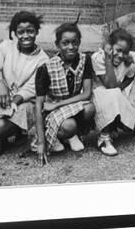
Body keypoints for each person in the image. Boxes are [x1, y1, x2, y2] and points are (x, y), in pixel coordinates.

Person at [0, 11, 49, 161]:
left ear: (36, 32)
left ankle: (16, 133)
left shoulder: (43, 59)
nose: (26, 36)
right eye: (20, 32)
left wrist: (13, 102)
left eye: (30, 31)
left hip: (23, 101)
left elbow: (31, 88)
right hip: (2, 95)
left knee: (0, 127)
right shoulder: (5, 47)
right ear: (14, 33)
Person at [34, 22, 95, 165]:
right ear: (57, 45)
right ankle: (64, 135)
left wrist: (58, 105)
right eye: (65, 43)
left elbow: (86, 94)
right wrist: (41, 142)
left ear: (79, 43)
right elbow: (38, 106)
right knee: (69, 126)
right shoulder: (46, 68)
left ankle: (74, 135)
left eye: (75, 42)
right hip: (53, 112)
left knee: (90, 108)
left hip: (68, 105)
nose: (71, 47)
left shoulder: (85, 60)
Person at [91, 28, 135, 156]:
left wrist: (120, 88)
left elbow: (130, 77)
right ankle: (103, 138)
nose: (121, 55)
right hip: (98, 94)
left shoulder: (128, 61)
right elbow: (109, 85)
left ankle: (113, 126)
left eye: (125, 52)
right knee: (111, 94)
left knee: (117, 97)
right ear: (110, 47)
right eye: (118, 50)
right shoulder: (98, 58)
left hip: (114, 93)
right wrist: (107, 58)